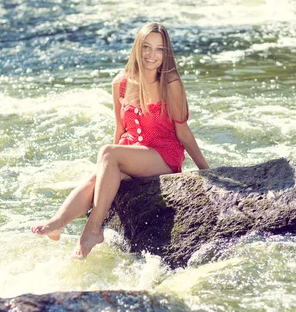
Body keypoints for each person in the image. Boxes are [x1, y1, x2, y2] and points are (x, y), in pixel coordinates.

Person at [31, 22, 209, 258]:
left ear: (166, 53)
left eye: (159, 49)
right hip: (131, 153)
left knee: (108, 153)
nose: (152, 55)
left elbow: (183, 131)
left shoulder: (171, 83)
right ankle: (57, 223)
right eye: (146, 47)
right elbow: (121, 127)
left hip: (163, 155)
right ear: (137, 47)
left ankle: (93, 229)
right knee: (98, 175)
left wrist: (207, 172)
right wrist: (109, 166)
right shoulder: (121, 82)